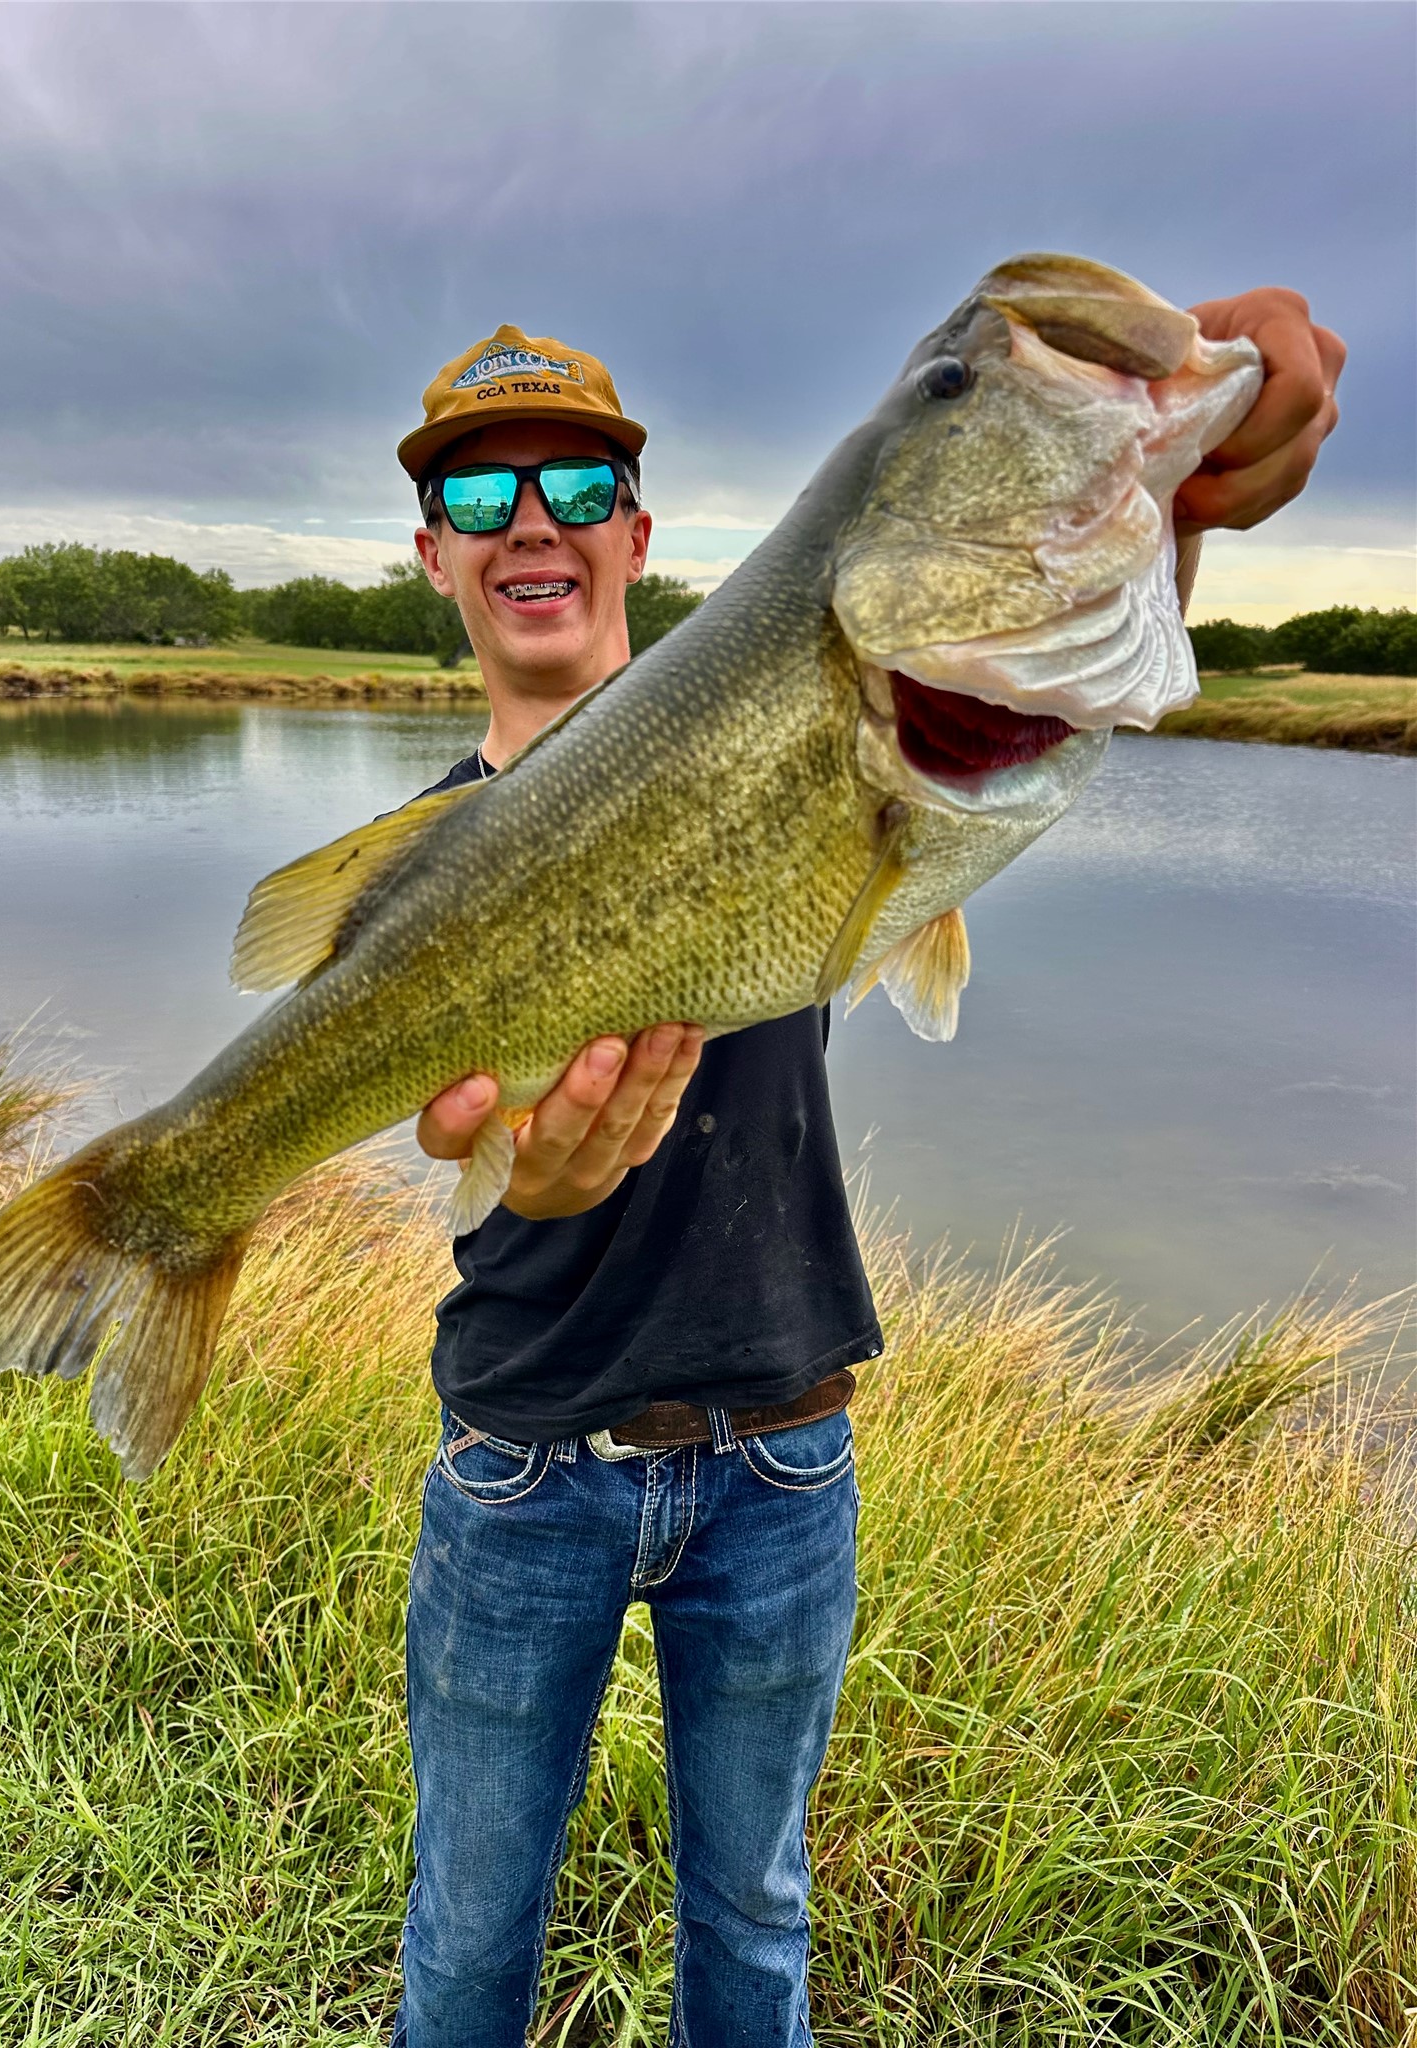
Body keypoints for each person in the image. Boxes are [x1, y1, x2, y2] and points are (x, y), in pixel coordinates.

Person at [387, 297, 1345, 2047]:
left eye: (577, 477)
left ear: (636, 535)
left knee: (755, 1924)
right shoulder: (428, 869)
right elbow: (474, 1158)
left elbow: (1008, 685)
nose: (532, 517)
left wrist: (1163, 507)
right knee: (466, 1936)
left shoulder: (819, 705)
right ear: (434, 558)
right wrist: (530, 1187)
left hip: (786, 1455)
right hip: (525, 1465)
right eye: (479, 495)